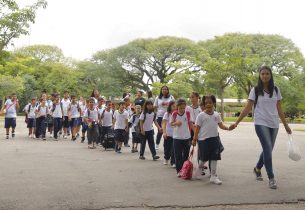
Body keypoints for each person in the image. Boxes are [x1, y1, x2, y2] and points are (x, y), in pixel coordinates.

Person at [229, 66, 292, 189]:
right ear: (259, 75)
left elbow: (279, 108)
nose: (264, 76)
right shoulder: (255, 90)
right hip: (260, 122)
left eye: (267, 73)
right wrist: (236, 123)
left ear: (270, 75)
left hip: (274, 124)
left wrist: (285, 125)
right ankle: (271, 177)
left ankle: (257, 168)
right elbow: (247, 108)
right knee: (268, 148)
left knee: (268, 149)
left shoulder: (276, 90)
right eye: (262, 74)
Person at [192, 95, 231, 185]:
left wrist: (228, 128)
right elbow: (197, 128)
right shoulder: (201, 116)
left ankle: (213, 176)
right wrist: (194, 139)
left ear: (213, 103)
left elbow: (221, 125)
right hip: (203, 140)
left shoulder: (216, 115)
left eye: (210, 103)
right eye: (206, 103)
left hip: (215, 139)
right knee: (203, 159)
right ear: (204, 104)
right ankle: (199, 169)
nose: (208, 104)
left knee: (214, 158)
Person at [170, 98, 193, 176]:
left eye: (183, 108)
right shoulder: (174, 114)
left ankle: (184, 169)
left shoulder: (188, 113)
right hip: (177, 138)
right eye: (180, 108)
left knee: (186, 155)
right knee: (178, 155)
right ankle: (179, 171)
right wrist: (176, 123)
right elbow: (171, 124)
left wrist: (196, 134)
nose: (182, 109)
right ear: (177, 107)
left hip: (187, 137)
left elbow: (191, 124)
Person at [154, 85, 175, 150]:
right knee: (160, 130)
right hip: (160, 116)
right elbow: (155, 106)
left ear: (168, 90)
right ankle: (157, 144)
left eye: (166, 89)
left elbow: (175, 105)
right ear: (161, 90)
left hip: (169, 116)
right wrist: (155, 114)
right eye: (163, 89)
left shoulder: (171, 97)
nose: (164, 90)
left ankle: (166, 144)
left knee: (169, 130)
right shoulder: (158, 97)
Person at [162, 100, 176, 167]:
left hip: (176, 134)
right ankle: (166, 158)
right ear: (170, 106)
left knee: (174, 148)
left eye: (175, 106)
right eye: (173, 106)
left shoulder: (177, 113)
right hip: (168, 133)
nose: (174, 107)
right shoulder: (167, 114)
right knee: (167, 147)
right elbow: (164, 123)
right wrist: (164, 132)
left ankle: (173, 162)